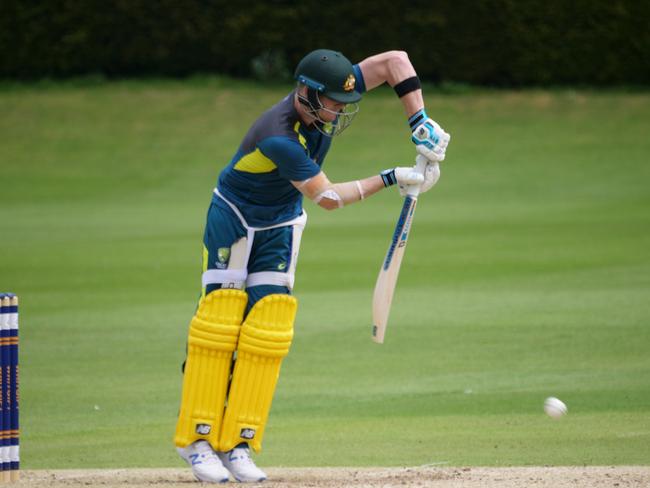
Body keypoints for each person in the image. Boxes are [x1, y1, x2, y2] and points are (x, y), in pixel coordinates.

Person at [173, 49, 450, 483]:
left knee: (268, 329)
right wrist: (393, 177)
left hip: (281, 220)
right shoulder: (278, 133)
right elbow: (328, 198)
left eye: (345, 103)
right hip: (235, 218)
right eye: (333, 104)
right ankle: (198, 441)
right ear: (306, 93)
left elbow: (396, 61)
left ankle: (238, 444)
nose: (339, 112)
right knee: (220, 326)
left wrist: (420, 121)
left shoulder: (329, 92)